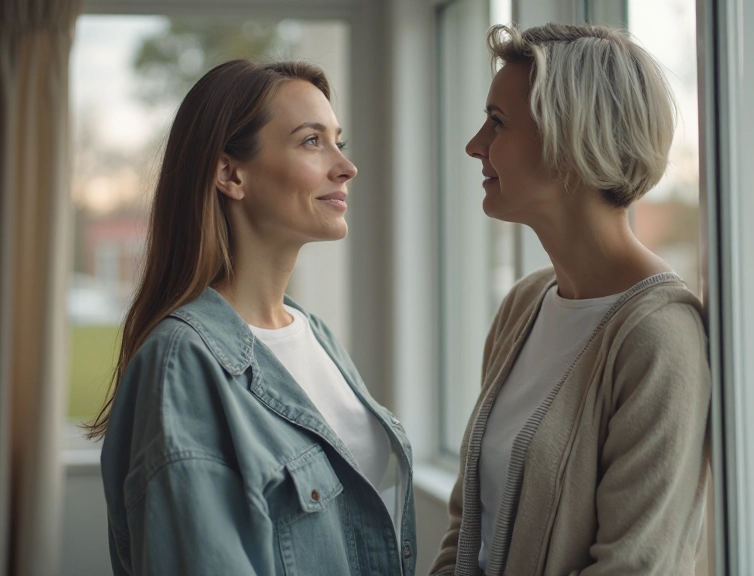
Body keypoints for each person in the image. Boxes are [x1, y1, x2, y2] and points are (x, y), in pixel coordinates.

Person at [91, 60, 416, 576]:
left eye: (339, 140)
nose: (346, 166)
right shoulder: (183, 363)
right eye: (312, 141)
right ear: (231, 174)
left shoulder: (315, 335)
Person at [429, 23, 711, 576]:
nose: (474, 145)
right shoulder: (525, 304)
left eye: (498, 123)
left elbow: (634, 565)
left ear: (573, 137)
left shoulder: (659, 338)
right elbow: (468, 528)